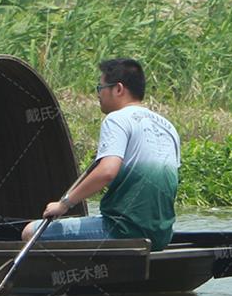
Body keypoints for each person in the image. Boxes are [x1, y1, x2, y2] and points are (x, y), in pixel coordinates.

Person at [22, 58, 180, 251]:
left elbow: (107, 172)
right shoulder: (168, 127)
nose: (98, 94)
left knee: (30, 231)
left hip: (121, 230)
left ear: (118, 89)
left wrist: (64, 204)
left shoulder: (117, 119)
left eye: (101, 87)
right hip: (161, 236)